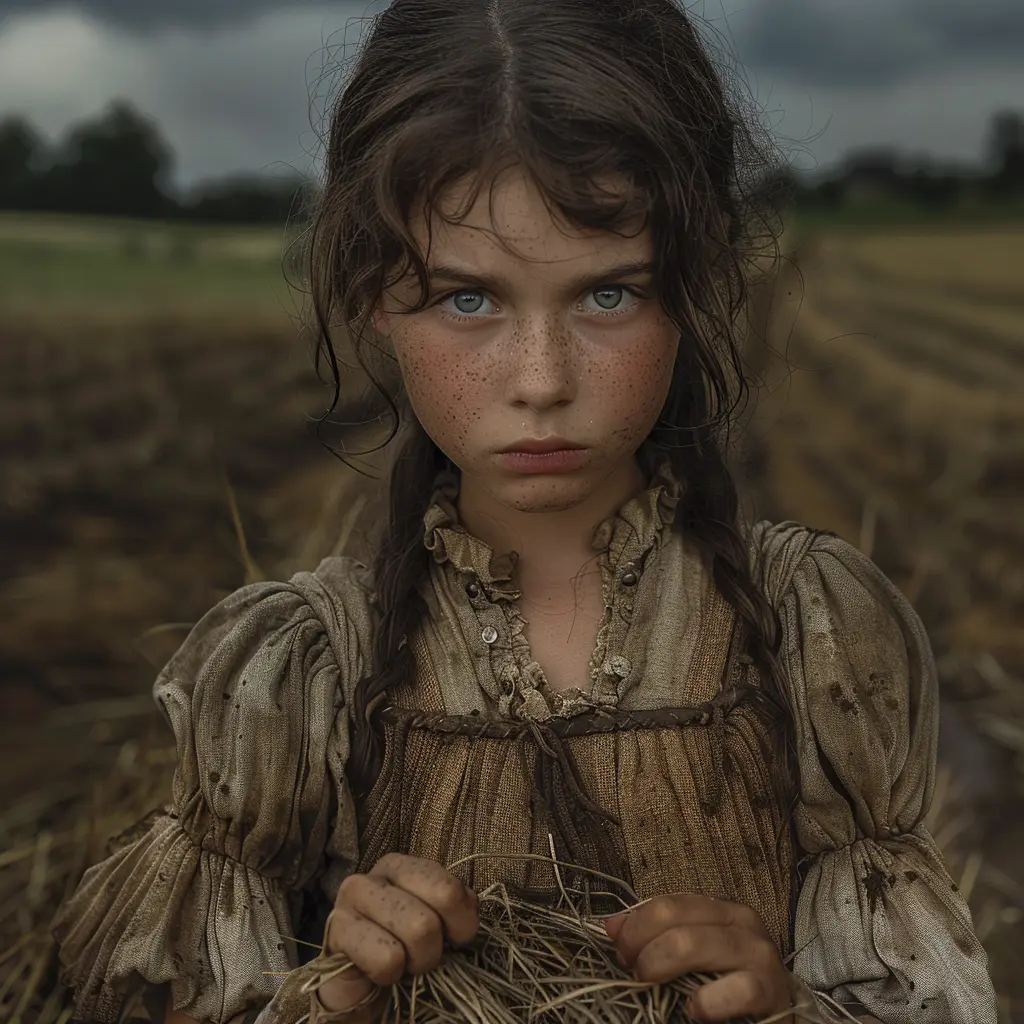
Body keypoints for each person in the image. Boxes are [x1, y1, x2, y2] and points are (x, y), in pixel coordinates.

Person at [52, 1, 998, 1022]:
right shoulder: (298, 680)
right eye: (468, 299)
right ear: (374, 294)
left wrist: (789, 1009)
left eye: (608, 295)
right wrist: (324, 1001)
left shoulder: (809, 640)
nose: (541, 380)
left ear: (696, 287)